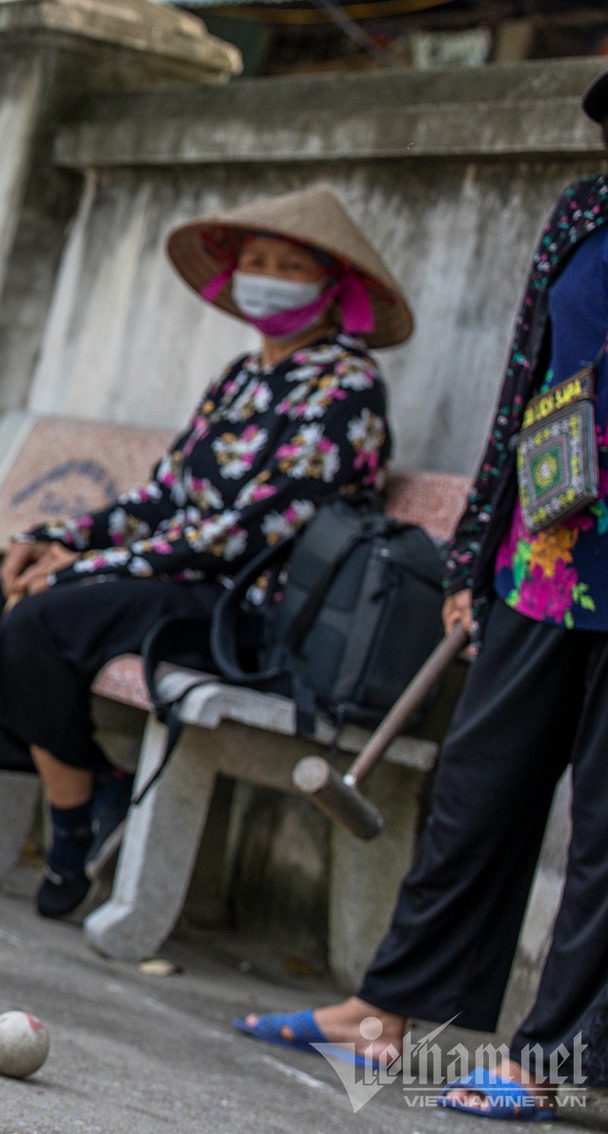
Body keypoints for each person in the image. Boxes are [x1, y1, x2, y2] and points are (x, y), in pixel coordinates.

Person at [239, 72, 608, 1121]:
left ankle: (555, 1057)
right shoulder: (580, 214)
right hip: (544, 558)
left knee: (600, 832)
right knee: (474, 790)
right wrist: (473, 552)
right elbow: (525, 386)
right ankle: (391, 1009)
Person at [0, 187, 408, 918]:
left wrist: (91, 568)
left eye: (291, 264)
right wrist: (59, 540)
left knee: (39, 621)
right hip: (172, 578)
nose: (269, 274)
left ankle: (69, 834)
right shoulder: (241, 378)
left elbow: (248, 533)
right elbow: (164, 497)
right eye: (257, 259)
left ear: (331, 288)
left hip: (246, 607)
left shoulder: (347, 387)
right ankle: (92, 788)